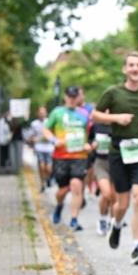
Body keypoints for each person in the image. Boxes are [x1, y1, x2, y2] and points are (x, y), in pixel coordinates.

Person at [91, 52, 138, 266]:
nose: (135, 69)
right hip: (118, 152)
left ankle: (136, 248)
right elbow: (95, 115)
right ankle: (116, 224)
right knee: (121, 203)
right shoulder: (113, 93)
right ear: (125, 69)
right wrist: (116, 118)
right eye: (131, 65)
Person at [44, 86, 91, 231]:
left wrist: (89, 144)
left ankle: (74, 219)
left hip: (79, 156)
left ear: (78, 98)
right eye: (69, 96)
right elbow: (46, 129)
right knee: (62, 190)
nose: (71, 99)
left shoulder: (84, 114)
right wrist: (54, 140)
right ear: (65, 97)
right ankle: (59, 205)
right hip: (61, 157)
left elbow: (91, 132)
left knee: (76, 185)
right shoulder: (57, 112)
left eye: (74, 96)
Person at [88, 106, 116, 236]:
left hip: (116, 163)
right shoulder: (96, 126)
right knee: (106, 194)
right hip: (101, 162)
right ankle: (102, 219)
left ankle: (113, 222)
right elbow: (89, 141)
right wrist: (92, 145)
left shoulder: (118, 126)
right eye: (105, 112)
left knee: (115, 196)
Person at [27, 106, 55, 190]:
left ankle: (48, 178)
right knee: (41, 166)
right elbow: (30, 136)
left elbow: (53, 134)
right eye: (40, 112)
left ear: (46, 113)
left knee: (49, 168)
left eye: (43, 112)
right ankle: (42, 183)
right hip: (39, 148)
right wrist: (32, 139)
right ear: (38, 114)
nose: (42, 114)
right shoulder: (34, 124)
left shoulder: (50, 122)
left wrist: (50, 138)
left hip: (49, 148)